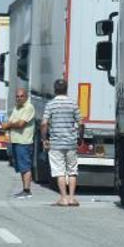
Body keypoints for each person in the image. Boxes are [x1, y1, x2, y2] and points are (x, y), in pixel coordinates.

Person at [41, 78, 84, 207]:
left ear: (55, 90)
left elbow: (44, 124)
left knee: (59, 171)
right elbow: (81, 123)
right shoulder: (73, 103)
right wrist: (79, 138)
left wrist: (44, 139)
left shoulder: (51, 104)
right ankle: (72, 198)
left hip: (56, 143)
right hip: (71, 143)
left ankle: (63, 198)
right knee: (72, 171)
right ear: (66, 89)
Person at [1, 88, 35, 198]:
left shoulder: (29, 107)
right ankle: (24, 189)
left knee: (25, 166)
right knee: (21, 167)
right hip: (16, 141)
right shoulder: (17, 108)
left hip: (24, 142)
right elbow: (11, 121)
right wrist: (6, 125)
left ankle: (27, 190)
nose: (19, 98)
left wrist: (8, 126)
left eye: (21, 96)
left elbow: (21, 124)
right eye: (17, 96)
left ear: (26, 97)